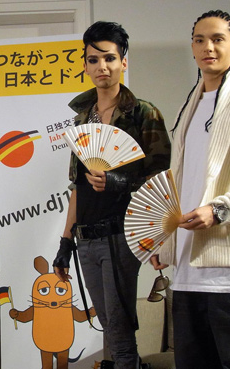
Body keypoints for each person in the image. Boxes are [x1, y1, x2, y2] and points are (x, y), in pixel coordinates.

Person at [151, 10, 230, 369]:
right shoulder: (189, 106)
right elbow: (183, 182)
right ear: (192, 48)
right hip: (187, 276)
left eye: (218, 39)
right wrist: (166, 241)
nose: (208, 47)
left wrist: (220, 210)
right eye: (200, 40)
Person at [53, 22, 171, 369]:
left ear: (123, 62)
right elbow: (77, 186)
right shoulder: (81, 120)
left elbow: (163, 180)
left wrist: (120, 182)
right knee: (108, 325)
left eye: (109, 58)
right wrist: (65, 242)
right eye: (93, 60)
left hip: (121, 235)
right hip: (85, 238)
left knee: (119, 330)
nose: (101, 67)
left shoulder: (143, 113)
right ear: (85, 65)